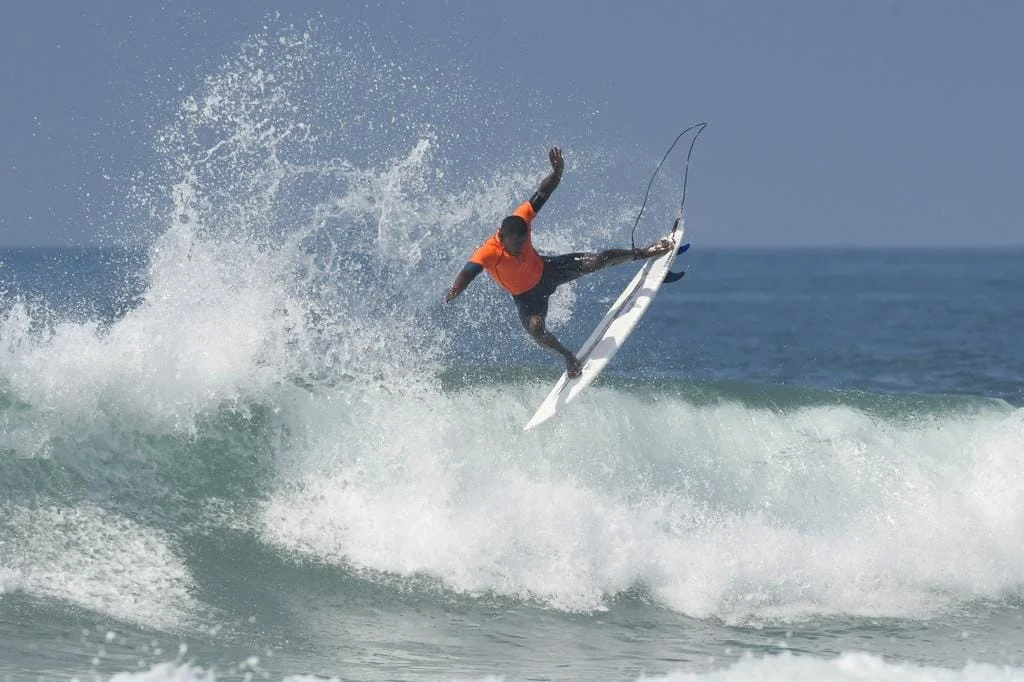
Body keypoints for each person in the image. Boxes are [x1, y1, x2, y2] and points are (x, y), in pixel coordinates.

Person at [444, 147, 673, 378]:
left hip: (548, 270)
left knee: (597, 260)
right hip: (527, 297)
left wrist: (557, 174)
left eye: (524, 243)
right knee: (536, 329)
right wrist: (456, 289)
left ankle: (642, 253)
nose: (521, 249)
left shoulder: (522, 218)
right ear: (502, 238)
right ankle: (567, 355)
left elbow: (542, 193)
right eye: (516, 246)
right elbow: (468, 272)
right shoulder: (488, 252)